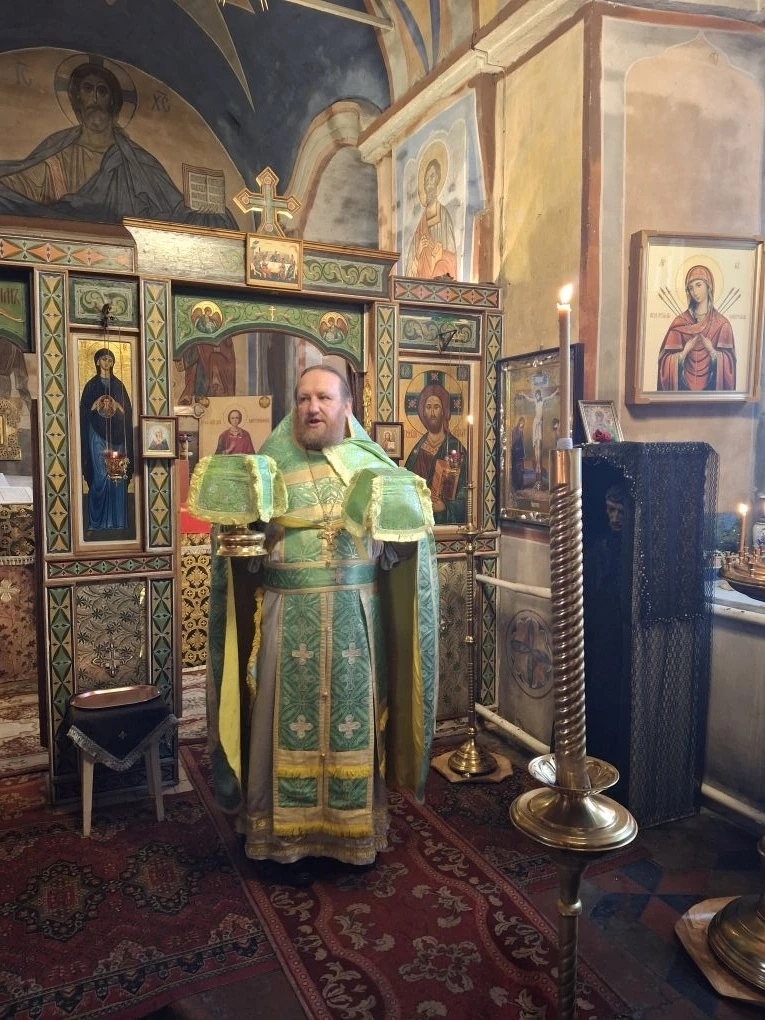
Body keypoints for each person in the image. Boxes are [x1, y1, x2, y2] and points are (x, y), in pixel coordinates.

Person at [201, 365, 439, 887]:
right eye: (305, 398)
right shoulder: (268, 464)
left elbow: (400, 552)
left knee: (353, 723)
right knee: (277, 719)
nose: (313, 407)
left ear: (346, 406)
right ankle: (279, 837)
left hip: (356, 621)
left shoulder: (373, 466)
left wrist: (402, 535)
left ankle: (350, 834)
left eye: (325, 398)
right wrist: (240, 528)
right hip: (286, 620)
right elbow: (239, 549)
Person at [0, 59, 237, 228]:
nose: (95, 98)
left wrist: (202, 211)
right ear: (76, 97)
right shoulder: (59, 151)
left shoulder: (137, 160)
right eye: (88, 89)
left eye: (102, 91)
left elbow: (168, 205)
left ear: (113, 101)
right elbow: (22, 183)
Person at [79, 347, 134, 532]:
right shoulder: (91, 386)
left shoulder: (118, 386)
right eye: (103, 359)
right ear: (97, 362)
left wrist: (117, 405)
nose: (107, 363)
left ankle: (118, 523)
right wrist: (93, 406)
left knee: (118, 477)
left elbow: (128, 413)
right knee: (100, 476)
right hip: (96, 435)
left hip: (117, 436)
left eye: (110, 360)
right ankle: (96, 523)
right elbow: (82, 413)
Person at [657, 265, 736, 392]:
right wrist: (683, 353)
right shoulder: (680, 323)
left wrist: (712, 352)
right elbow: (664, 362)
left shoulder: (722, 324)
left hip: (711, 392)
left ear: (708, 286)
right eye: (691, 288)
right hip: (682, 391)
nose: (694, 291)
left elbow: (730, 365)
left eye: (698, 285)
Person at [404, 379, 467, 525]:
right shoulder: (416, 451)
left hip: (444, 523)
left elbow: (466, 492)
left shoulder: (455, 447)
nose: (432, 413)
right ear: (422, 412)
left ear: (444, 411)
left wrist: (446, 506)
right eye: (428, 407)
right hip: (418, 519)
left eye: (437, 407)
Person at [405, 156, 458, 280]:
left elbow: (452, 259)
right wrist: (418, 253)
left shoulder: (443, 216)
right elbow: (409, 273)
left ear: (438, 180)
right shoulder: (420, 225)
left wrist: (438, 256)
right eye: (426, 179)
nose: (428, 182)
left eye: (432, 177)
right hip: (421, 287)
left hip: (438, 284)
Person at [517, 388, 558, 488]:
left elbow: (550, 397)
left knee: (538, 445)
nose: (537, 396)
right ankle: (538, 465)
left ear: (540, 395)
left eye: (538, 395)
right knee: (536, 445)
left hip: (540, 423)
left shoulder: (542, 400)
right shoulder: (535, 401)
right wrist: (523, 394)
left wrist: (556, 392)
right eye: (536, 395)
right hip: (535, 422)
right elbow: (529, 398)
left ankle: (538, 464)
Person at [510, 416, 526, 490]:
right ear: (519, 422)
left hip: (520, 452)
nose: (522, 424)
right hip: (515, 452)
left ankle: (520, 485)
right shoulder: (515, 430)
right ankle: (516, 485)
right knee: (515, 469)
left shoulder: (521, 431)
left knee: (521, 469)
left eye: (523, 423)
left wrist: (523, 452)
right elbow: (514, 441)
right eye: (521, 422)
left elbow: (522, 443)